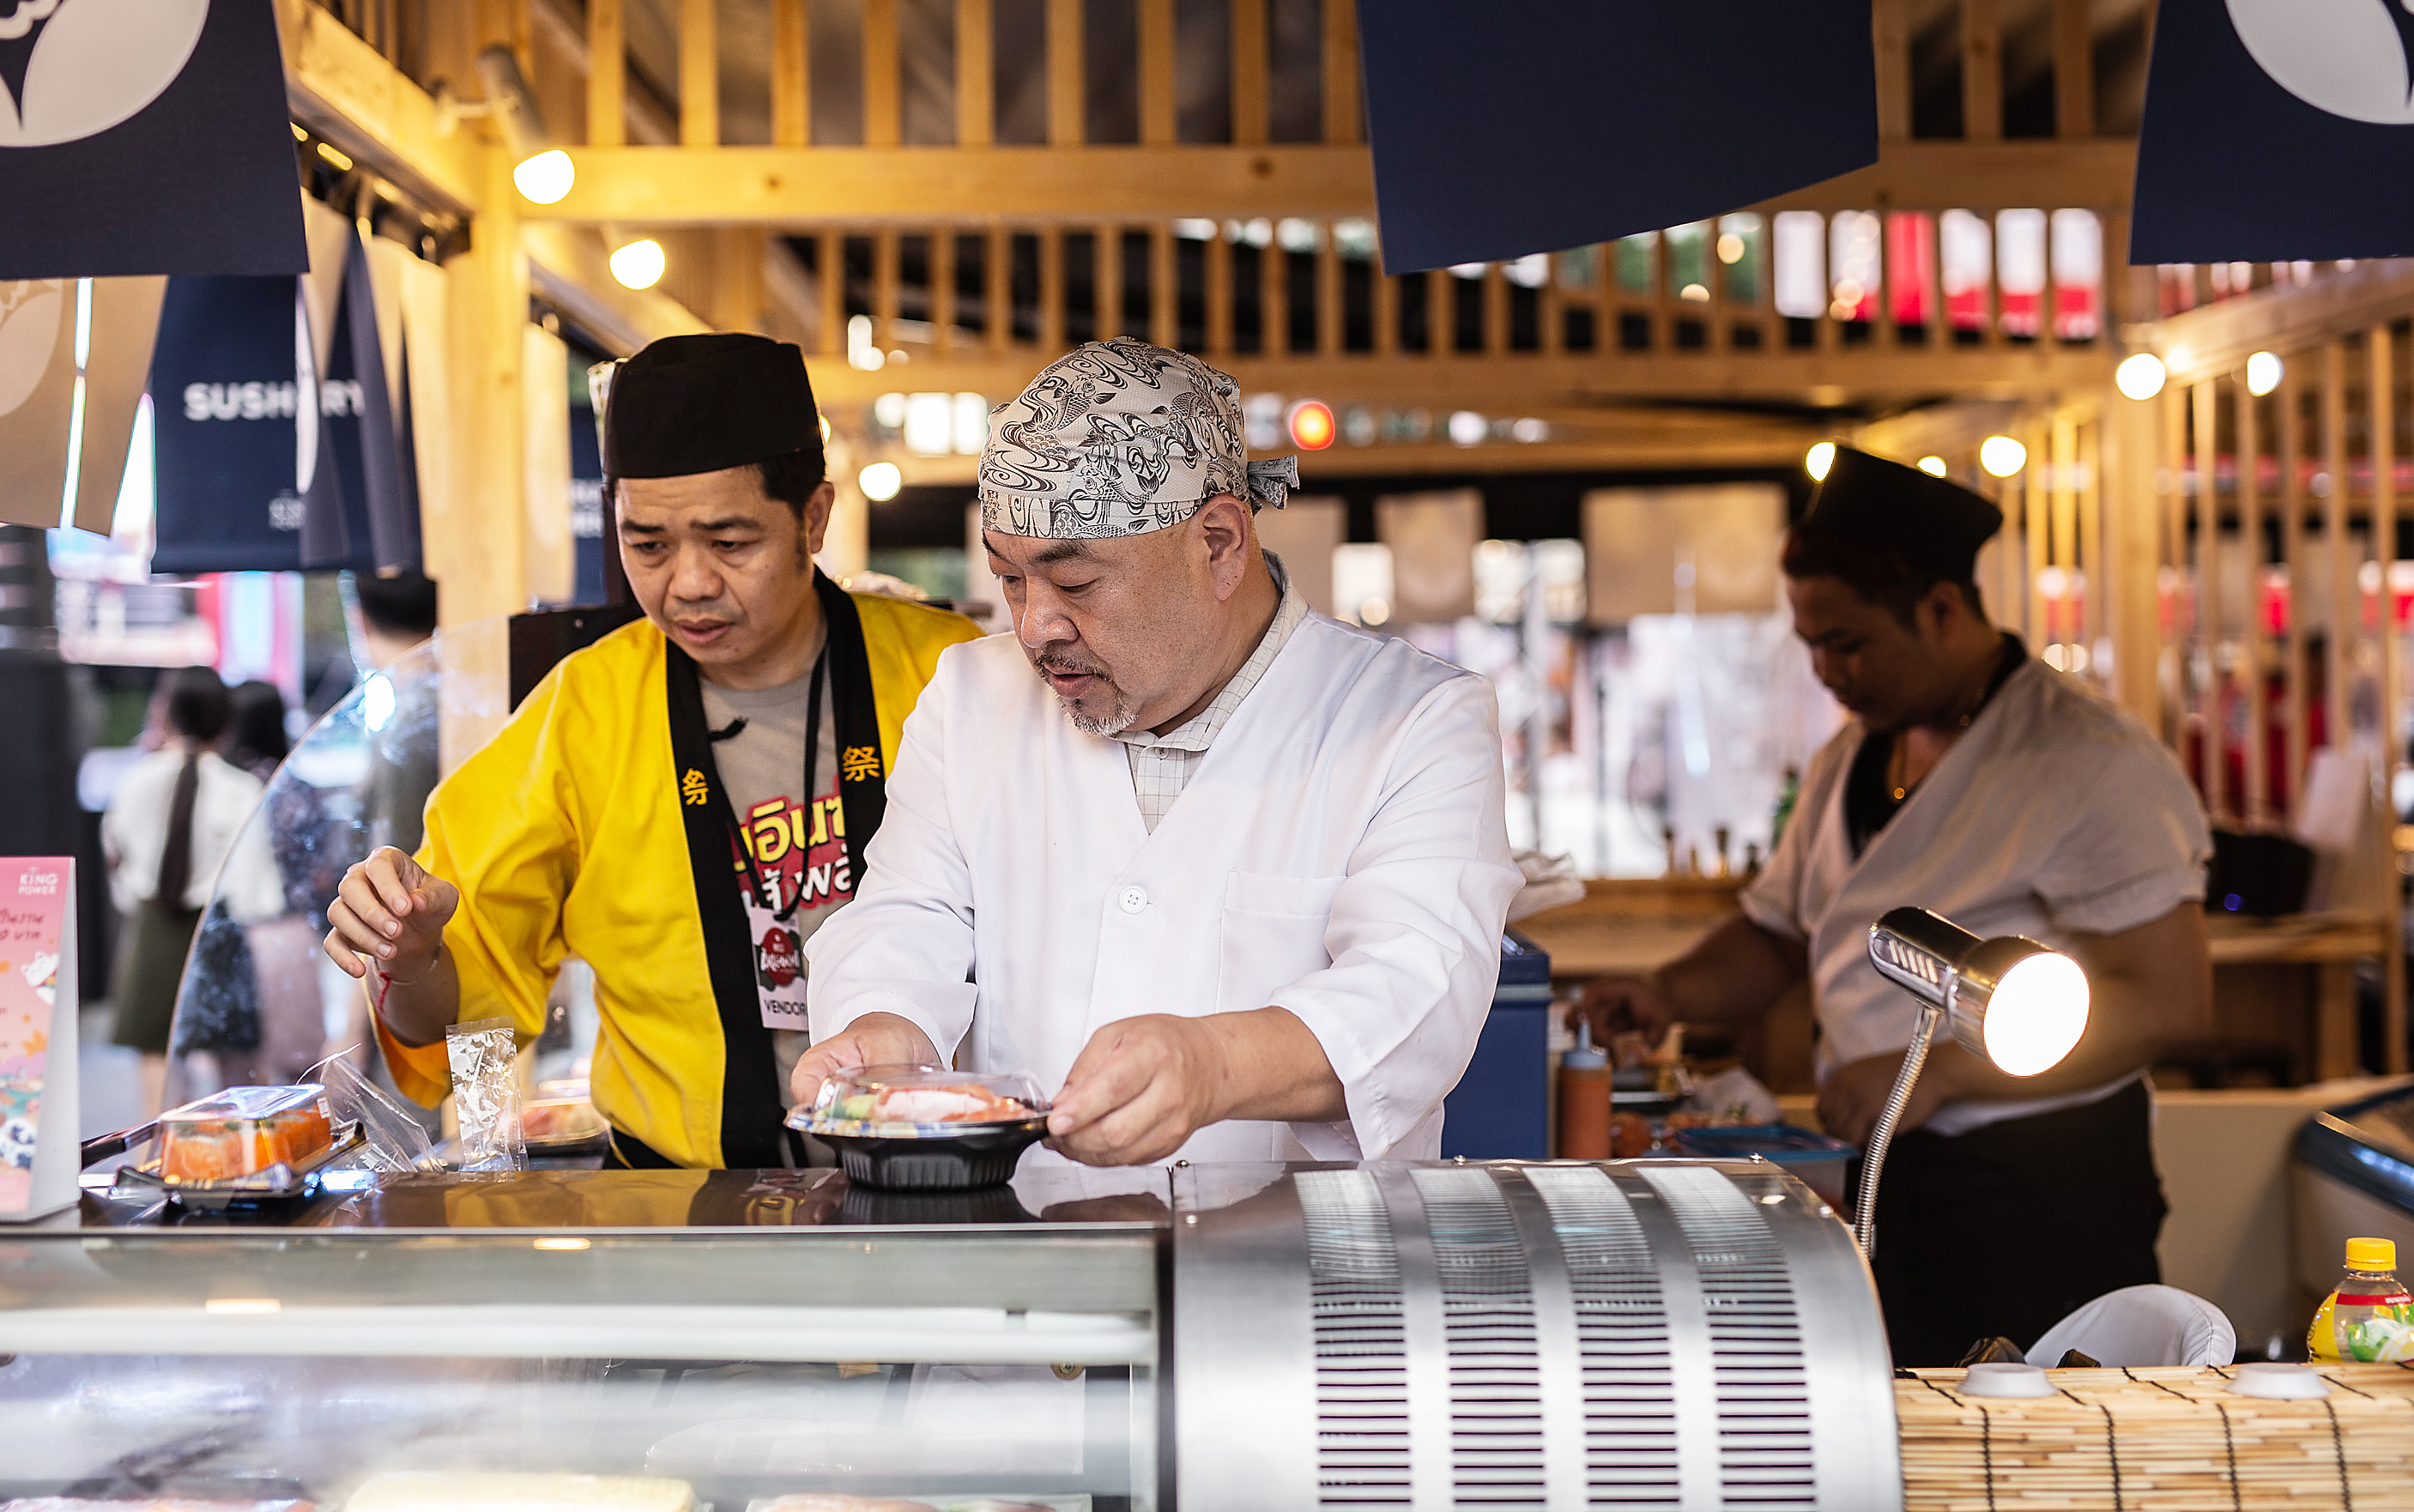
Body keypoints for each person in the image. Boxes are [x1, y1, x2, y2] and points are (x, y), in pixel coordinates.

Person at [796, 337, 1520, 1166]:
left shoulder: (1415, 718)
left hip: (1301, 1240)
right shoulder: (970, 697)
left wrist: (1213, 1066)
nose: (1035, 627)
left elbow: (1416, 993)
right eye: (1011, 580)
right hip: (1027, 1225)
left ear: (1218, 543)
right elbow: (908, 913)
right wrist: (885, 1027)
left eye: (1076, 583)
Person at [1578, 446, 2211, 1366]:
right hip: (1890, 1174)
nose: (1826, 671)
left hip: (2038, 1185)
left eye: (1848, 643)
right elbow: (1779, 933)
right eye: (1811, 645)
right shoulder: (1851, 757)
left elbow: (2169, 999)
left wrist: (1936, 1074)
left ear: (1942, 609)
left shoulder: (2087, 759)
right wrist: (1666, 992)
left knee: (2034, 1430)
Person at [321, 334, 981, 1169]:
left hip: (941, 1172)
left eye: (730, 542)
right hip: (674, 1197)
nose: (689, 583)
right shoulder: (582, 712)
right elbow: (462, 1033)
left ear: (814, 516)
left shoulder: (949, 674)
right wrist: (410, 951)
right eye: (648, 544)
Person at [102, 668, 275, 1115]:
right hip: (219, 928)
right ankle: (241, 1151)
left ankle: (160, 1150)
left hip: (154, 925)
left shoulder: (134, 780)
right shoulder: (241, 789)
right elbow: (258, 891)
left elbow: (116, 854)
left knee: (156, 1064)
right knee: (236, 1069)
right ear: (227, 720)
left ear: (166, 714)